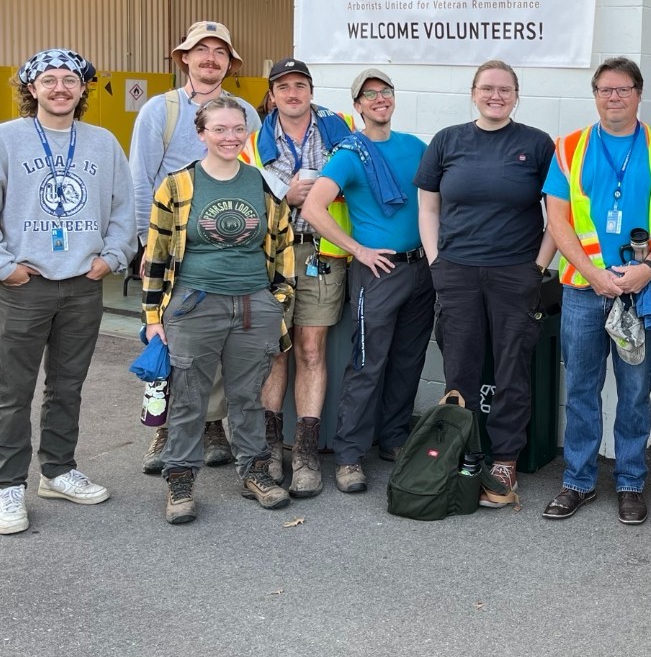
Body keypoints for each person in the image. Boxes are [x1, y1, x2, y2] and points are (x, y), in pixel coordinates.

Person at [541, 57, 651, 525]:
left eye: (623, 89)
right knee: (581, 390)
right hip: (583, 291)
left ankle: (630, 482)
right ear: (595, 95)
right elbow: (557, 219)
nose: (614, 97)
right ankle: (578, 481)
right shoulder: (569, 147)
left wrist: (648, 268)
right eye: (605, 89)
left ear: (638, 94)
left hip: (640, 292)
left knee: (635, 392)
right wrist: (592, 273)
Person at [0, 49, 137, 536]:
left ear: (82, 89)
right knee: (11, 391)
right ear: (31, 88)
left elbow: (124, 207)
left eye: (70, 81)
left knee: (67, 385)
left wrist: (112, 258)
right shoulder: (7, 138)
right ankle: (7, 484)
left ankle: (57, 471)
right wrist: (6, 269)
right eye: (50, 80)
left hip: (83, 283)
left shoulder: (102, 142)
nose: (60, 88)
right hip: (25, 285)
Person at [142, 96, 294, 524]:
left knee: (248, 395)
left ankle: (254, 472)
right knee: (189, 397)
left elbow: (283, 244)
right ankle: (180, 479)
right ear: (201, 134)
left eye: (237, 129)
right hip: (195, 304)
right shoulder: (177, 186)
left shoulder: (264, 184)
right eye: (220, 129)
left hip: (254, 305)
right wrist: (152, 317)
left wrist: (277, 302)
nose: (230, 137)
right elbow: (156, 254)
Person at [415, 60, 555, 506]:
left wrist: (537, 268)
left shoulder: (537, 144)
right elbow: (428, 208)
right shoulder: (446, 141)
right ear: (473, 93)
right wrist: (436, 262)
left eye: (505, 89)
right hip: (456, 271)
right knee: (460, 369)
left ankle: (505, 460)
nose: (496, 96)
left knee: (513, 367)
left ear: (516, 96)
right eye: (488, 88)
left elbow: (559, 214)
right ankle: (465, 453)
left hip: (515, 271)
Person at [130, 21, 261, 474]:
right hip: (171, 246)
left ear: (229, 63)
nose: (210, 58)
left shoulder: (246, 113)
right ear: (184, 57)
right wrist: (147, 244)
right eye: (201, 49)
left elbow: (253, 175)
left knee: (221, 341)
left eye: (219, 51)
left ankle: (211, 426)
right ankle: (163, 428)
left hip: (226, 245)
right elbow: (140, 179)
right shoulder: (160, 111)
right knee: (169, 341)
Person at [301, 69, 434, 495]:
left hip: (421, 269)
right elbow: (313, 208)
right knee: (366, 363)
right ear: (357, 105)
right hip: (378, 273)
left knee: (408, 360)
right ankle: (349, 456)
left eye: (385, 91)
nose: (379, 99)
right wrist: (358, 250)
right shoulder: (349, 153)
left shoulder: (415, 147)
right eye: (369, 94)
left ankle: (394, 440)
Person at [239, 57, 353, 497]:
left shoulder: (341, 130)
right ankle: (270, 448)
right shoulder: (251, 143)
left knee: (310, 348)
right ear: (271, 95)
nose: (292, 93)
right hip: (272, 257)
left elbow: (361, 179)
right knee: (274, 351)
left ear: (311, 91)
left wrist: (328, 191)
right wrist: (284, 197)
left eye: (300, 85)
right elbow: (241, 198)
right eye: (283, 86)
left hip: (323, 253)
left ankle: (305, 451)